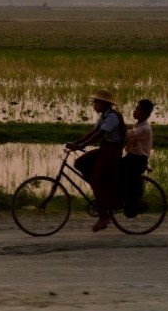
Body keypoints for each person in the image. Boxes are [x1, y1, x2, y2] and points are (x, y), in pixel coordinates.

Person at [66, 89, 126, 232]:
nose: (94, 104)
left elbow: (100, 134)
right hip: (105, 149)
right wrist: (76, 143)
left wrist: (80, 146)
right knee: (79, 163)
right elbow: (93, 132)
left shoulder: (112, 117)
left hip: (112, 152)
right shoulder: (104, 116)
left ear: (104, 104)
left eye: (96, 102)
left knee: (96, 180)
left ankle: (104, 216)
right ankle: (99, 188)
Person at [120, 99, 155, 218]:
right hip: (131, 157)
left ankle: (135, 202)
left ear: (145, 114)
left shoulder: (145, 129)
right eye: (135, 109)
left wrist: (117, 125)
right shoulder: (138, 125)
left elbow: (128, 134)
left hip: (137, 160)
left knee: (126, 178)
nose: (135, 111)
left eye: (138, 110)